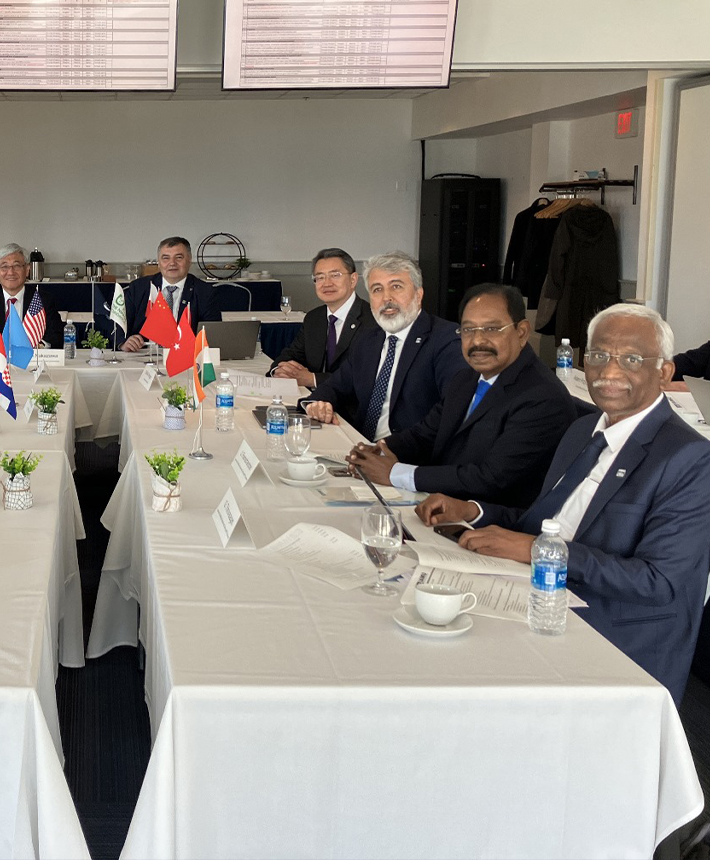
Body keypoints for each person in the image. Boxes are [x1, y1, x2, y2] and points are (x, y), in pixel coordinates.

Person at [418, 303, 710, 703]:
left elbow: (659, 582)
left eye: (630, 359)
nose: (609, 371)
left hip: (612, 638)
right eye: (599, 356)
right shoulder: (582, 429)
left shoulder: (689, 458)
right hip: (533, 597)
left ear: (664, 372)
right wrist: (473, 510)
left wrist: (539, 552)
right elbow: (548, 521)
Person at [346, 283, 579, 507]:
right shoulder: (466, 378)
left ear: (521, 332)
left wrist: (396, 473)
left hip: (488, 521)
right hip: (440, 503)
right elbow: (425, 435)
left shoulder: (542, 397)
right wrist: (377, 450)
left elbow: (491, 479)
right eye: (468, 330)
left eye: (491, 329)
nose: (477, 341)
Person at [303, 251, 467, 440]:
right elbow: (335, 385)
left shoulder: (446, 340)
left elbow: (451, 410)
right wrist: (317, 404)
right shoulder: (368, 339)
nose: (386, 298)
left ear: (418, 294)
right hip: (360, 443)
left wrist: (391, 448)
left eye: (396, 287)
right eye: (377, 289)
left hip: (410, 451)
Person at [269, 248, 373, 387]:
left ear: (353, 280)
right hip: (313, 397)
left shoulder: (372, 320)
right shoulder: (314, 318)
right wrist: (280, 370)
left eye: (335, 275)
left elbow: (365, 376)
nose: (327, 283)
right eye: (320, 277)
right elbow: (292, 354)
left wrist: (313, 379)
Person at [120, 237, 222, 352]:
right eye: (165, 258)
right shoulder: (139, 288)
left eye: (179, 257)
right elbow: (119, 324)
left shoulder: (205, 292)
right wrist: (123, 343)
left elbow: (213, 335)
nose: (172, 263)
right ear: (159, 263)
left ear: (189, 260)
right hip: (143, 354)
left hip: (186, 355)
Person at [0, 243, 65, 350]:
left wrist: (39, 345)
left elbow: (57, 335)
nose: (11, 272)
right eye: (4, 267)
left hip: (31, 357)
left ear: (27, 270)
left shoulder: (42, 299)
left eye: (17, 266)